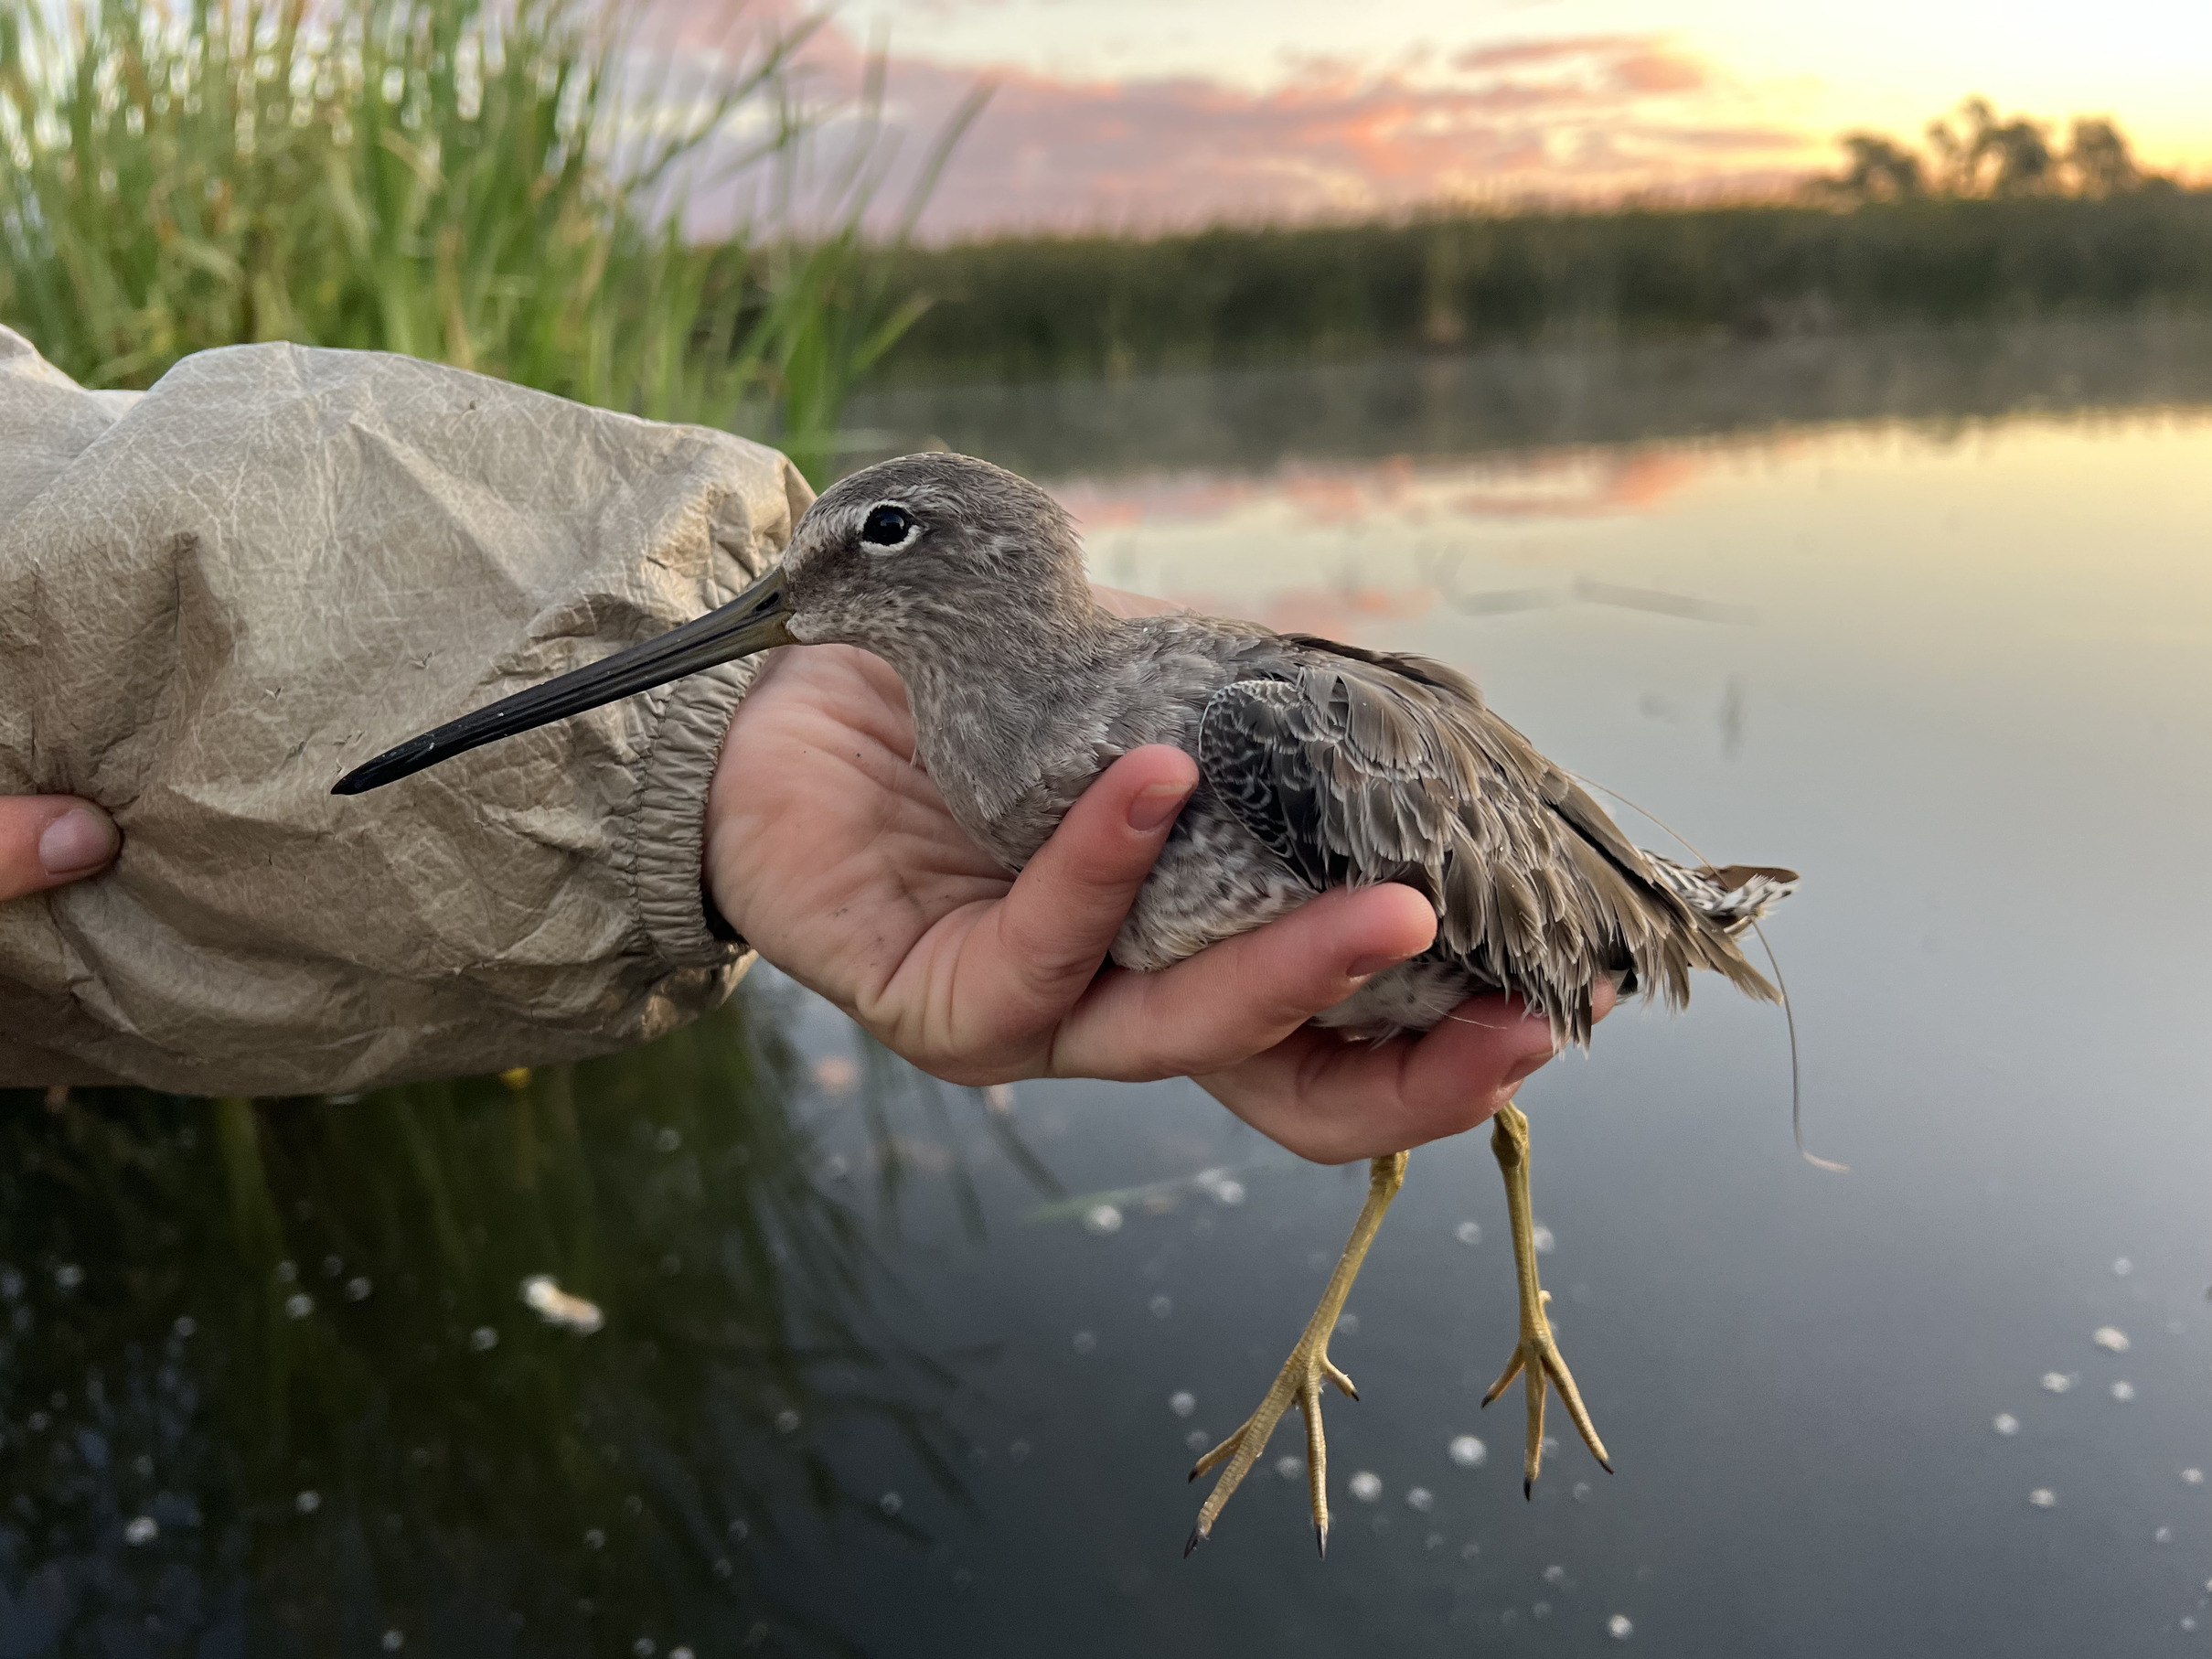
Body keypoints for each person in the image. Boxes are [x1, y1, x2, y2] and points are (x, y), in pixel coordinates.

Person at [0, 330, 1594, 1160]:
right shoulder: (983, 719)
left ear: (971, 558)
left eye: (873, 541)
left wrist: (712, 753)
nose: (773, 613)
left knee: (1430, 1050)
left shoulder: (1266, 723)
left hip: (1476, 917)